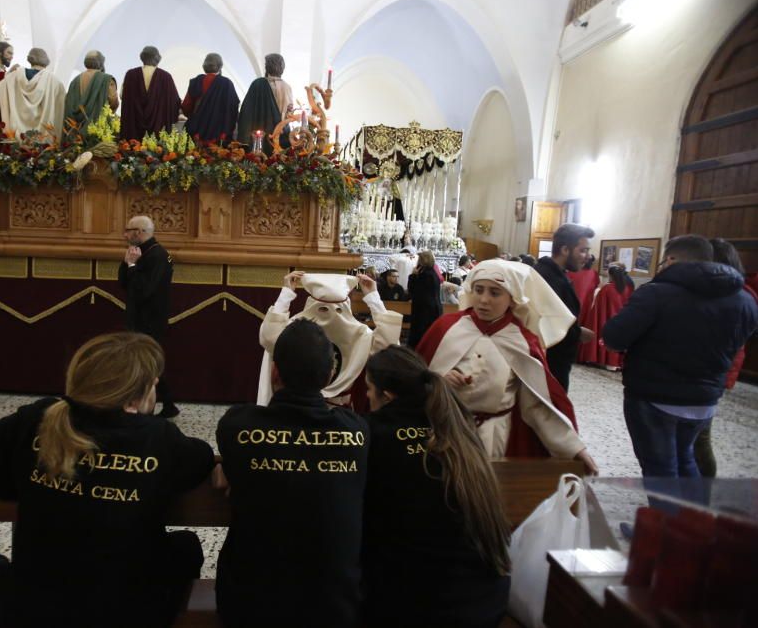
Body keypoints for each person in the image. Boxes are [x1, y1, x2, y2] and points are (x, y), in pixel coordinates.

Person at [0, 332, 214, 627]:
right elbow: (201, 460)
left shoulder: (39, 419)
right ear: (135, 397)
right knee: (186, 547)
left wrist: (32, 480)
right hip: (125, 609)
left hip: (38, 602)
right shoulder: (158, 438)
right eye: (154, 386)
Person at [215, 319, 369, 628]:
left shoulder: (238, 426)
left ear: (274, 372)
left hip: (250, 602)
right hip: (332, 605)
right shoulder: (356, 432)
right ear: (329, 376)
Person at [363, 345, 511, 628]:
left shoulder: (376, 433)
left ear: (388, 395)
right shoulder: (457, 424)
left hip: (426, 608)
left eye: (370, 389)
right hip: (485, 600)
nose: (368, 397)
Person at [417, 259, 598, 474]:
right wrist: (439, 380)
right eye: (478, 290)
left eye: (495, 293)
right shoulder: (445, 328)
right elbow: (416, 377)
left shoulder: (522, 340)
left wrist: (575, 449)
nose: (484, 300)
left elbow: (538, 404)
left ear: (512, 298)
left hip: (494, 438)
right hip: (446, 431)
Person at [602, 235, 758, 479]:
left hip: (655, 397)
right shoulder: (745, 299)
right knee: (686, 459)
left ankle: (668, 518)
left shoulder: (656, 294)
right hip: (704, 399)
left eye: (663, 261)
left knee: (660, 469)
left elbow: (614, 338)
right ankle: (692, 516)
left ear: (672, 259)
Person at [256, 271, 402, 407]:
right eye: (323, 309)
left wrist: (286, 295)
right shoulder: (361, 334)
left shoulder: (293, 331)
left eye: (337, 310)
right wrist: (373, 298)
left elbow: (270, 338)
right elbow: (388, 343)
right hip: (336, 416)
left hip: (303, 409)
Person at [695, 238, 758, 477]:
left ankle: (700, 494)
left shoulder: (735, 294)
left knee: (700, 438)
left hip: (711, 372)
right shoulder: (736, 292)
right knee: (696, 437)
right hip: (710, 371)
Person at [119, 215, 178, 418]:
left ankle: (151, 408)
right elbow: (125, 284)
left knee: (148, 363)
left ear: (140, 232)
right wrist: (128, 263)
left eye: (128, 230)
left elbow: (145, 291)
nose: (125, 234)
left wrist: (133, 266)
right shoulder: (140, 252)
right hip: (138, 316)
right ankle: (168, 405)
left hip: (151, 319)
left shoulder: (158, 255)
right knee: (147, 362)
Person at [534, 223, 596, 392]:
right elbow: (545, 322)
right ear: (565, 250)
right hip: (549, 361)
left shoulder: (556, 274)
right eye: (583, 250)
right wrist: (578, 333)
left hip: (557, 359)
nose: (587, 256)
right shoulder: (548, 277)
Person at [0, 47, 66, 142]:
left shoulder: (14, 77)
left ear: (30, 59)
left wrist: (8, 73)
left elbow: (0, 87)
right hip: (43, 137)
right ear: (46, 61)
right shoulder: (54, 81)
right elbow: (60, 108)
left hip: (17, 135)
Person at [119, 46, 181, 141]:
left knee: (131, 151)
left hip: (134, 129)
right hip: (158, 129)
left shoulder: (130, 75)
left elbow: (123, 96)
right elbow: (175, 102)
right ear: (157, 58)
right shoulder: (166, 77)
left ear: (142, 57)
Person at [579, 263, 633, 370]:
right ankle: (615, 362)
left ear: (611, 275)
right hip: (621, 319)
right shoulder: (627, 288)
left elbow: (598, 308)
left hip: (606, 318)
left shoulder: (607, 288)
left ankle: (602, 360)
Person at [236, 53, 294, 152]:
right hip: (280, 135)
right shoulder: (287, 87)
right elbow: (289, 114)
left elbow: (246, 111)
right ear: (282, 67)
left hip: (258, 135)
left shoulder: (258, 84)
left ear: (267, 67)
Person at [182, 53, 240, 142]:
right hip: (217, 133)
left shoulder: (196, 81)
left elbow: (186, 106)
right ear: (220, 66)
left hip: (195, 130)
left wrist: (195, 116)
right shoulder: (226, 84)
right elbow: (232, 109)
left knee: (192, 155)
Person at [63, 50, 118, 140]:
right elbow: (113, 102)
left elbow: (68, 103)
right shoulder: (106, 79)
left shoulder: (75, 81)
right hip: (98, 132)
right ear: (100, 63)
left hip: (76, 131)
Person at [406, 250, 442, 349]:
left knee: (420, 335)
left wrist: (412, 276)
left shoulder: (424, 275)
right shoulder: (433, 273)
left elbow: (413, 291)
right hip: (433, 308)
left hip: (423, 310)